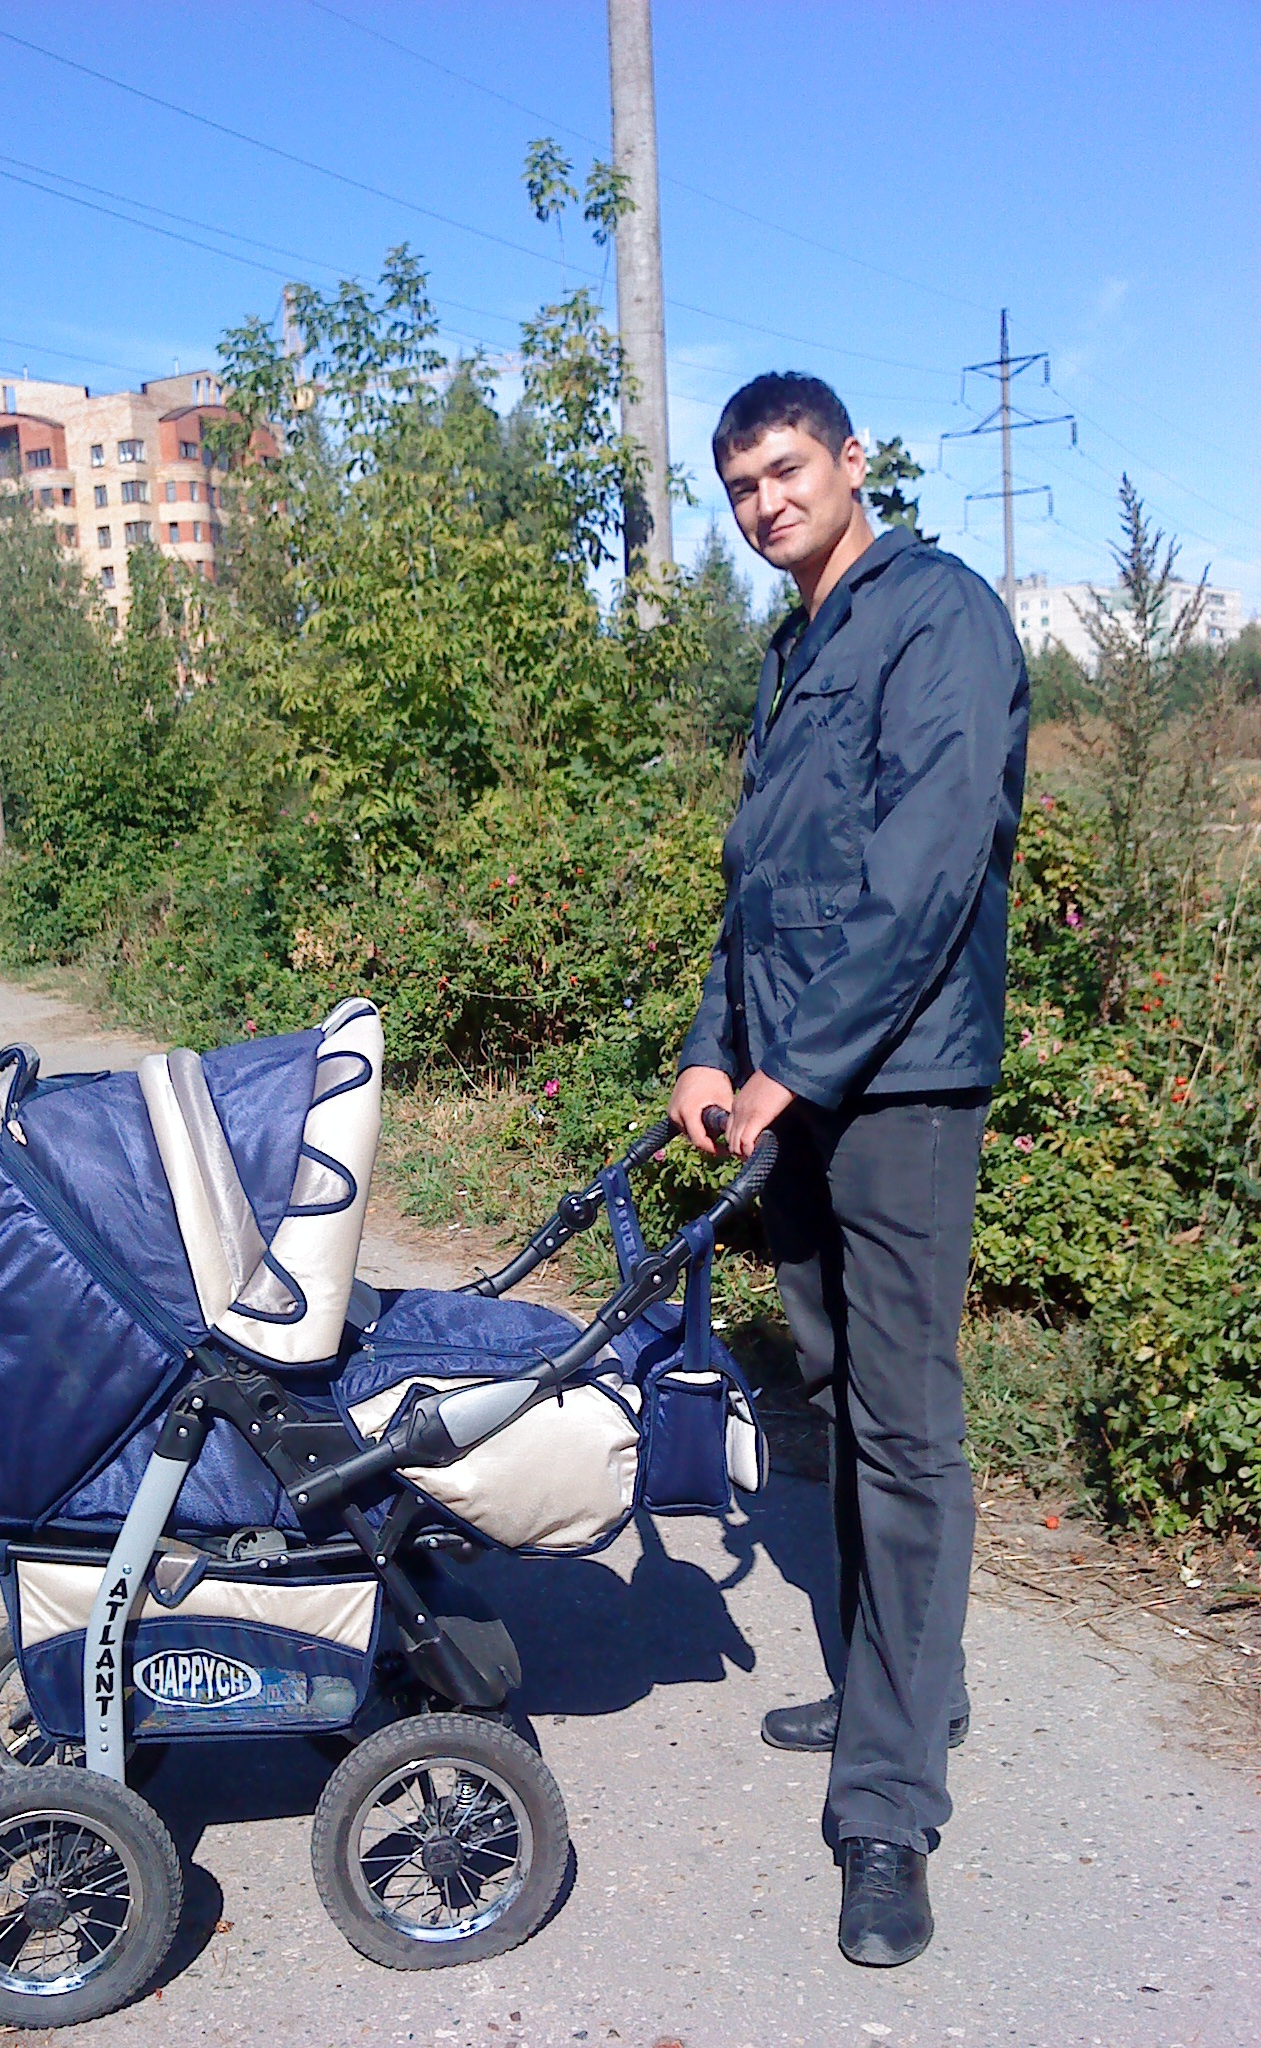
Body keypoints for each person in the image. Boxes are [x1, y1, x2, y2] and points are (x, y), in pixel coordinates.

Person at [668, 373, 1027, 1969]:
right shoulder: (793, 648)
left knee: (903, 1421)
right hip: (795, 1089)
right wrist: (712, 1046)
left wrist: (790, 1068)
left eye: (785, 469)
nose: (766, 503)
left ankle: (889, 1805)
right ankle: (903, 1677)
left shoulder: (937, 617)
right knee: (828, 1385)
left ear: (851, 460)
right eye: (741, 485)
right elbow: (761, 885)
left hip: (901, 1085)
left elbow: (923, 876)